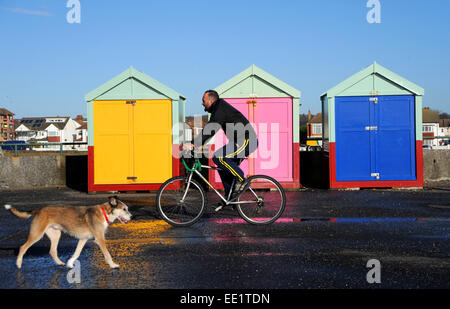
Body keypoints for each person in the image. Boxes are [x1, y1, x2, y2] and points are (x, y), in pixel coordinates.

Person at [184, 90, 258, 202]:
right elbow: (210, 128)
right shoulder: (218, 109)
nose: (202, 103)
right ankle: (230, 198)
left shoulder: (220, 108)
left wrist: (194, 143)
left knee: (218, 157)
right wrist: (198, 143)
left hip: (247, 141)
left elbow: (211, 129)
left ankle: (242, 181)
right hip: (238, 141)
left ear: (211, 100)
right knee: (223, 169)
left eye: (203, 101)